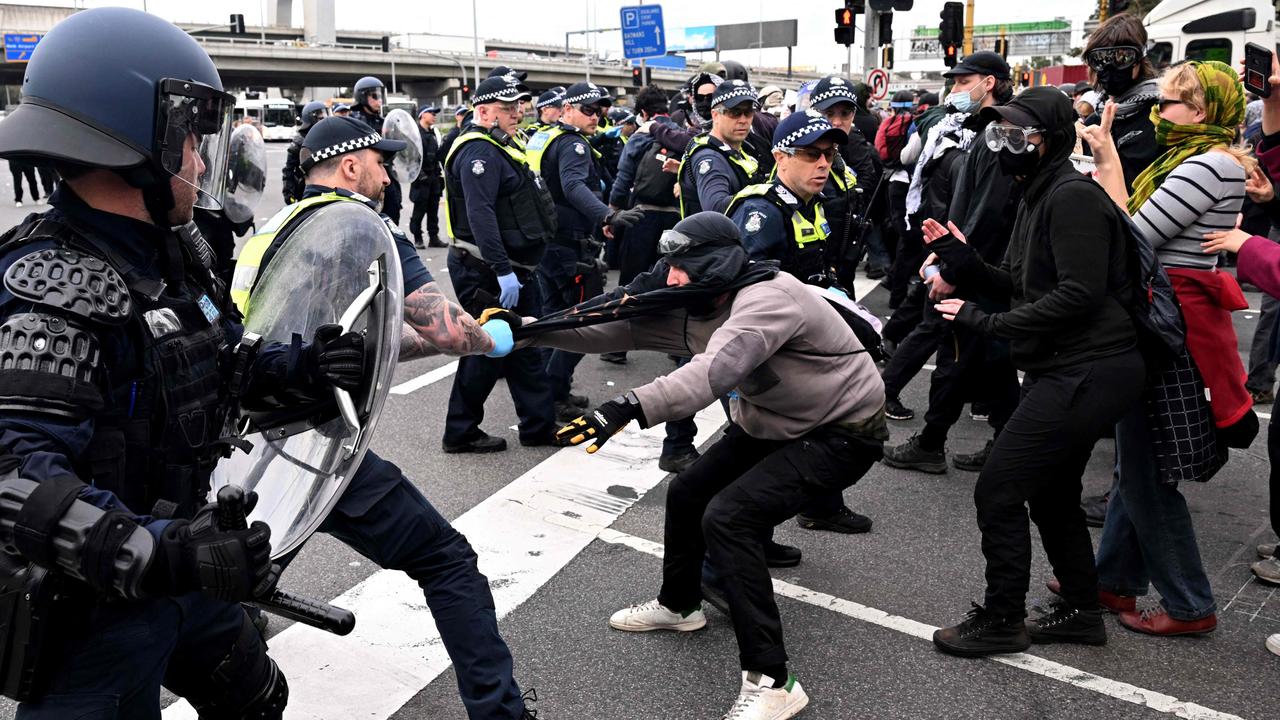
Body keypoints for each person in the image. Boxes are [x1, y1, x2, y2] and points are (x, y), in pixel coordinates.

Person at [0, 8, 369, 716]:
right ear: (139, 143)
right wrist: (164, 552)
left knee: (257, 699)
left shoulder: (175, 253)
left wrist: (304, 370)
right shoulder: (51, 284)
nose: (201, 162)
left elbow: (214, 365)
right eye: (193, 141)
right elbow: (16, 479)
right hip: (98, 617)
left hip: (192, 570)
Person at [231, 113, 537, 719]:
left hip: (246, 442)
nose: (388, 174)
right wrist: (491, 337)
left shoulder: (280, 228)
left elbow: (352, 342)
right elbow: (442, 326)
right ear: (351, 166)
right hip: (317, 446)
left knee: (234, 575)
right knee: (448, 563)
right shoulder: (365, 229)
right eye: (380, 161)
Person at [522, 211, 886, 720]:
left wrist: (621, 407)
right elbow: (619, 328)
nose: (669, 277)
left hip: (840, 432)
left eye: (680, 267)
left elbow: (714, 371)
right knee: (689, 491)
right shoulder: (702, 299)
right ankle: (680, 605)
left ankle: (774, 681)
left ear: (715, 265)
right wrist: (530, 331)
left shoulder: (767, 299)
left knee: (731, 518)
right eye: (667, 266)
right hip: (774, 422)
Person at [925, 87, 1146, 657]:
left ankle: (1002, 618)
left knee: (999, 488)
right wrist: (966, 263)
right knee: (1050, 494)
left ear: (1048, 140)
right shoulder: (1037, 191)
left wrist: (987, 323)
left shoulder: (1069, 197)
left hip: (1090, 368)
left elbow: (1078, 292)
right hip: (1072, 366)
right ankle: (1080, 611)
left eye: (1018, 135)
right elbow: (1022, 282)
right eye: (997, 134)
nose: (1004, 146)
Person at [1079, 60, 1259, 637]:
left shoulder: (1204, 166)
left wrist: (1105, 163)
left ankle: (1189, 603)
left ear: (1202, 112)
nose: (1159, 112)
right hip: (1167, 320)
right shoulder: (1200, 160)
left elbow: (1132, 234)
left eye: (1171, 103)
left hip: (1164, 326)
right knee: (1138, 460)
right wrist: (1108, 158)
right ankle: (1112, 579)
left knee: (1145, 472)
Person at [724, 108, 875, 538]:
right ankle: (743, 537)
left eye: (828, 155)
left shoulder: (812, 203)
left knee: (816, 427)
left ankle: (819, 506)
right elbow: (747, 292)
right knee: (755, 446)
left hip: (803, 341)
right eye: (811, 154)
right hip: (766, 348)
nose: (823, 164)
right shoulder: (762, 210)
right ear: (780, 157)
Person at [883, 50, 1021, 475]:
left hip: (978, 269)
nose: (955, 91)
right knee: (986, 360)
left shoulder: (998, 134)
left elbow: (989, 214)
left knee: (954, 357)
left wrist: (951, 268)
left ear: (989, 83)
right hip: (973, 262)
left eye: (964, 83)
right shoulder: (983, 131)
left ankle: (931, 442)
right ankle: (1004, 442)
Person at [440, 71, 559, 453]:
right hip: (486, 269)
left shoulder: (500, 145)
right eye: (508, 108)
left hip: (511, 269)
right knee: (487, 350)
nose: (517, 114)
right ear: (484, 110)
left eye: (518, 106)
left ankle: (538, 425)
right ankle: (460, 431)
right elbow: (481, 215)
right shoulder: (478, 152)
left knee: (523, 346)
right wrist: (503, 269)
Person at [526, 81, 643, 422]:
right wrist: (607, 215)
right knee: (582, 323)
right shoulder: (573, 145)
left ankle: (554, 391)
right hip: (567, 247)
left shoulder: (544, 137)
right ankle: (551, 392)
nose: (596, 116)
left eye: (599, 110)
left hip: (548, 243)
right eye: (588, 110)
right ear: (567, 110)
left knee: (552, 320)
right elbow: (573, 186)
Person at [809, 76, 887, 284]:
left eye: (845, 114)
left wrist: (850, 203)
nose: (836, 121)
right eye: (829, 113)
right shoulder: (800, 144)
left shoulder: (853, 139)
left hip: (842, 247)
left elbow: (867, 176)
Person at [677, 79, 763, 217]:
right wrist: (764, 193)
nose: (743, 119)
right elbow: (716, 208)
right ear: (715, 115)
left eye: (748, 112)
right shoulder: (709, 157)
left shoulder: (744, 150)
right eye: (734, 112)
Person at [350, 75, 403, 225]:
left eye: (380, 95)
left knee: (393, 212)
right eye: (374, 95)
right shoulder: (354, 123)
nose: (379, 100)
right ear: (362, 97)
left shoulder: (384, 122)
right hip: (365, 177)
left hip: (387, 173)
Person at [410, 105, 446, 248]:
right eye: (431, 113)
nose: (434, 115)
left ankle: (433, 238)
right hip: (421, 179)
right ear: (422, 115)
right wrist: (421, 176)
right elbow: (411, 159)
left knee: (433, 211)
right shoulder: (415, 134)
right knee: (419, 211)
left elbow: (436, 156)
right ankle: (417, 237)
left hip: (434, 178)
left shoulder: (433, 133)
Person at [282, 100, 327, 204]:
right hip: (305, 190)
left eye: (324, 113)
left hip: (325, 186)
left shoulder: (326, 137)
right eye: (320, 115)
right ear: (310, 117)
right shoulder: (299, 141)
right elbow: (289, 169)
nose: (324, 118)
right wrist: (289, 192)